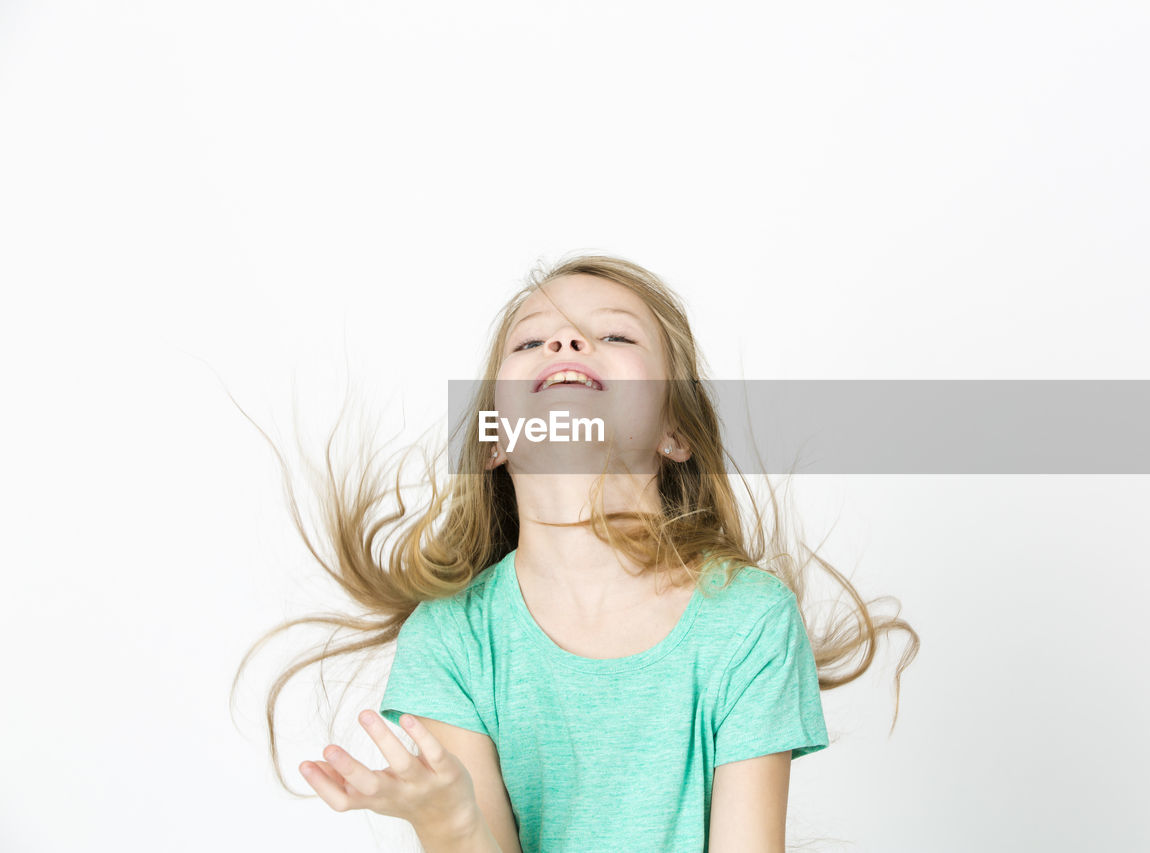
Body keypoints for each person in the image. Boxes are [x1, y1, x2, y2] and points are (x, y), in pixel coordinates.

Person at [233, 253, 918, 852]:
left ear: (674, 431)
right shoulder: (450, 638)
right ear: (494, 438)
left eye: (615, 334)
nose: (564, 340)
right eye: (530, 342)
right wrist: (451, 825)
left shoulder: (748, 621)